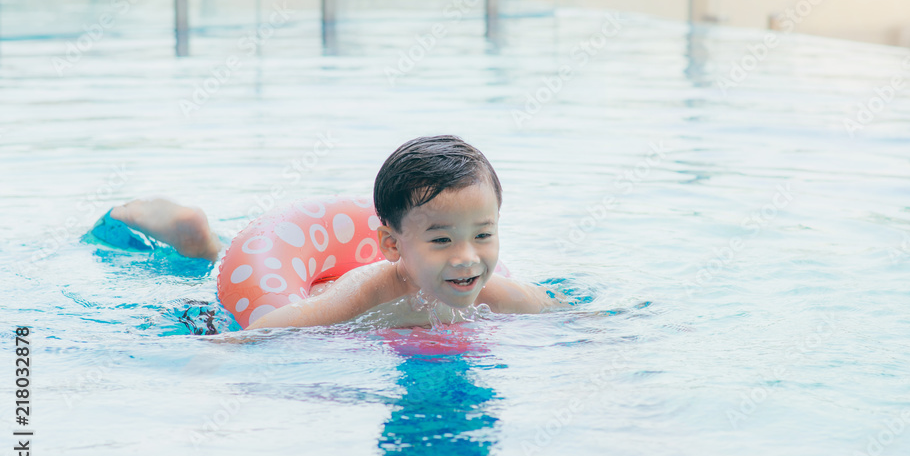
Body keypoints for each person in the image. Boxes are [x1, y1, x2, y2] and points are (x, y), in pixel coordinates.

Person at [96, 135, 570, 330]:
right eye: (442, 240)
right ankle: (192, 235)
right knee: (201, 298)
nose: (467, 257)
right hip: (277, 286)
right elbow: (268, 329)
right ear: (391, 245)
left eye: (483, 235)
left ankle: (203, 239)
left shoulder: (496, 290)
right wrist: (216, 353)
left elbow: (567, 313)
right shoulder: (370, 286)